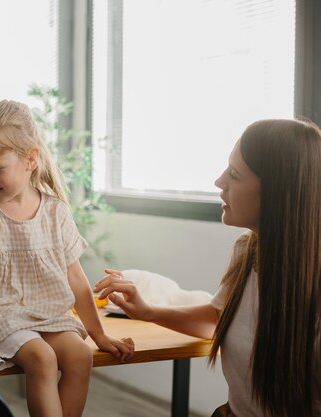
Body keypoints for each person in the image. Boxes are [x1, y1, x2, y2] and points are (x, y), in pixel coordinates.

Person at [94, 118, 321, 417]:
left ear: (278, 190)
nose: (219, 181)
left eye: (235, 174)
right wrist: (147, 311)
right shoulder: (247, 250)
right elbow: (218, 318)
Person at [0, 99, 135, 417]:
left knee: (80, 356)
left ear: (30, 159)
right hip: (0, 315)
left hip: (46, 314)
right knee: (42, 359)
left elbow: (76, 278)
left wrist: (98, 334)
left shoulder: (56, 211)